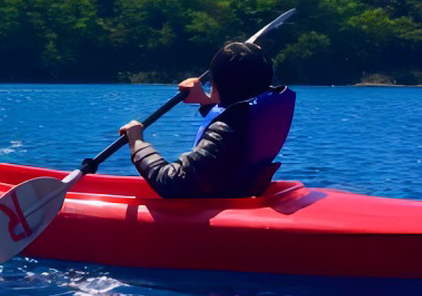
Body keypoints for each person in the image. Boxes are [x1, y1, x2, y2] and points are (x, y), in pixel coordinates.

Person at [117, 41, 295, 198]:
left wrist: (137, 143)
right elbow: (237, 118)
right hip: (238, 194)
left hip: (215, 208)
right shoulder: (253, 117)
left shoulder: (227, 132)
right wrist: (206, 100)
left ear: (215, 83)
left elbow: (173, 183)